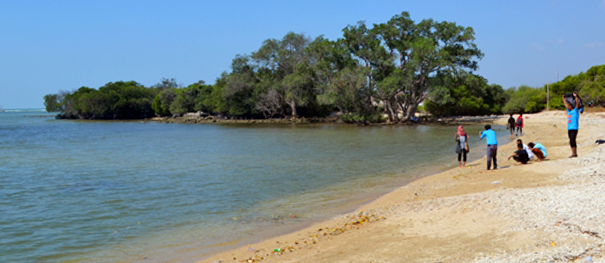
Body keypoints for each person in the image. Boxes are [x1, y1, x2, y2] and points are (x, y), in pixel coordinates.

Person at [563, 93, 580, 158]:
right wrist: (563, 98)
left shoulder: (575, 111)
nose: (567, 106)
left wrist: (576, 97)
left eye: (568, 105)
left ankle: (575, 154)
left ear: (571, 106)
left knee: (573, 140)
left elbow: (577, 104)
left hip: (574, 128)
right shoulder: (569, 111)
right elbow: (565, 104)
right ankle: (573, 153)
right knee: (570, 141)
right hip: (569, 128)